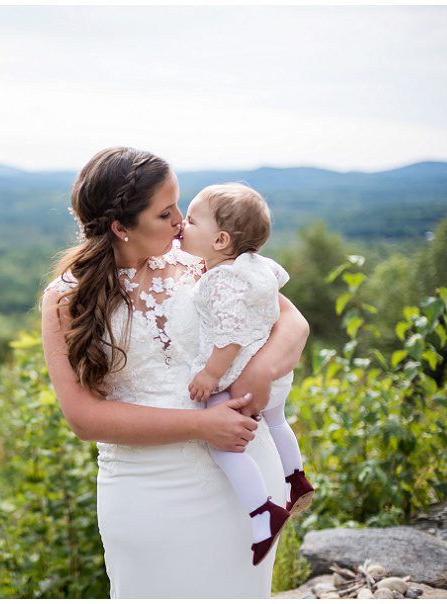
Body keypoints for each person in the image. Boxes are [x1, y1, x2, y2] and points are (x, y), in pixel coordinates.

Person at [40, 147, 309, 598]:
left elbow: (292, 323)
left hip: (243, 483)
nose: (181, 221)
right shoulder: (67, 298)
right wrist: (203, 424)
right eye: (166, 213)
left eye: (180, 206)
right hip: (148, 495)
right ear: (120, 227)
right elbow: (83, 418)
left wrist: (258, 374)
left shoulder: (205, 264)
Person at [180, 183, 315, 567]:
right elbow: (273, 289)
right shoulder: (256, 265)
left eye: (190, 221)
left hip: (235, 377)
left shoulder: (220, 280)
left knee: (223, 446)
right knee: (277, 421)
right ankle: (296, 478)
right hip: (272, 379)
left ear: (220, 240)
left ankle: (263, 512)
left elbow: (230, 334)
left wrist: (210, 375)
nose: (182, 226)